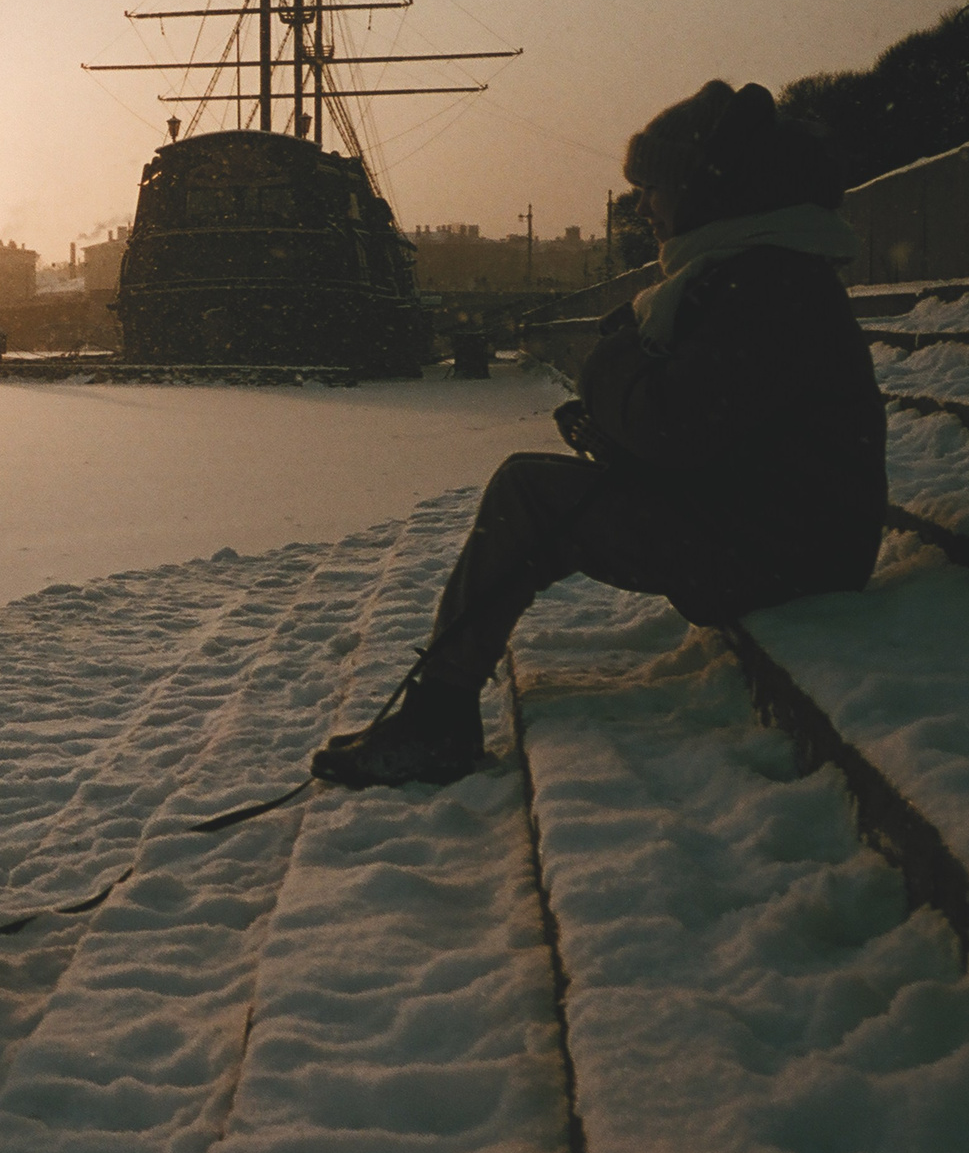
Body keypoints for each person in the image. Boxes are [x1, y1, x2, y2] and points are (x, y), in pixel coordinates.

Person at [311, 80, 885, 789]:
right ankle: (438, 708)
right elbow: (710, 431)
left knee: (527, 494)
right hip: (779, 529)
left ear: (706, 190)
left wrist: (611, 361)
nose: (641, 205)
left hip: (787, 551)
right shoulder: (756, 271)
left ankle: (438, 718)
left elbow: (672, 428)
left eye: (653, 186)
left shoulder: (763, 283)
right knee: (532, 493)